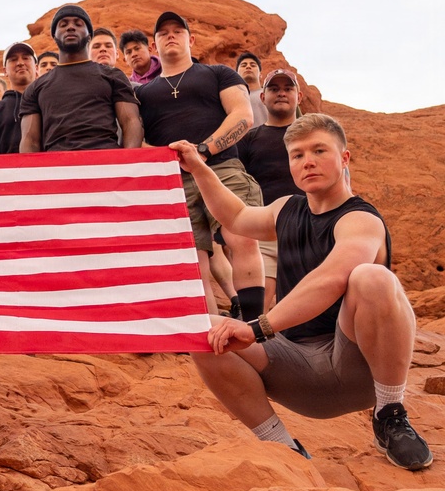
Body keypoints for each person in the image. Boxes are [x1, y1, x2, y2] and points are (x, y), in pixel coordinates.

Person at [173, 114, 433, 471]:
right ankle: (283, 448)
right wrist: (198, 168)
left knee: (373, 278)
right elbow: (236, 217)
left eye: (319, 150)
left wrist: (256, 328)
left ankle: (390, 415)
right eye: (297, 154)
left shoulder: (361, 219)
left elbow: (331, 279)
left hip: (358, 368)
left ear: (344, 158)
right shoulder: (286, 209)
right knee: (201, 330)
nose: (307, 161)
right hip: (297, 373)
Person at [136, 11, 265, 319]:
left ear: (191, 39)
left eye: (178, 31)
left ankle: (253, 329)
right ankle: (208, 337)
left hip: (222, 168)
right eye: (163, 32)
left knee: (242, 239)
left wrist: (203, 152)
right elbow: (135, 138)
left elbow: (243, 115)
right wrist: (169, 157)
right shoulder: (142, 93)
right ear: (153, 47)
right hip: (174, 181)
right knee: (192, 262)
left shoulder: (218, 74)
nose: (171, 35)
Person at [20, 4, 143, 153]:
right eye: (63, 25)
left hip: (106, 161)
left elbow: (131, 122)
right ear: (54, 36)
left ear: (89, 35)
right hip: (56, 164)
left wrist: (127, 162)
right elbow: (30, 140)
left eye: (78, 24)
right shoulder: (35, 88)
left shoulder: (113, 76)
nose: (70, 27)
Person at [238, 69, 305, 311]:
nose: (281, 93)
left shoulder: (311, 135)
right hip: (265, 230)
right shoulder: (249, 139)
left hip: (306, 228)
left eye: (288, 88)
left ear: (299, 96)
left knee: (302, 306)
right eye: (274, 89)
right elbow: (239, 185)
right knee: (259, 308)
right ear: (262, 97)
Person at [0, 42, 38, 155]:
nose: (20, 63)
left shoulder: (48, 102)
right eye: (13, 60)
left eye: (26, 58)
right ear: (5, 71)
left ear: (36, 67)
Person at [236, 52, 268, 128]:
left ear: (260, 75)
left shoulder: (270, 94)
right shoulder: (230, 98)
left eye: (253, 65)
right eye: (244, 65)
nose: (248, 67)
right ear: (236, 74)